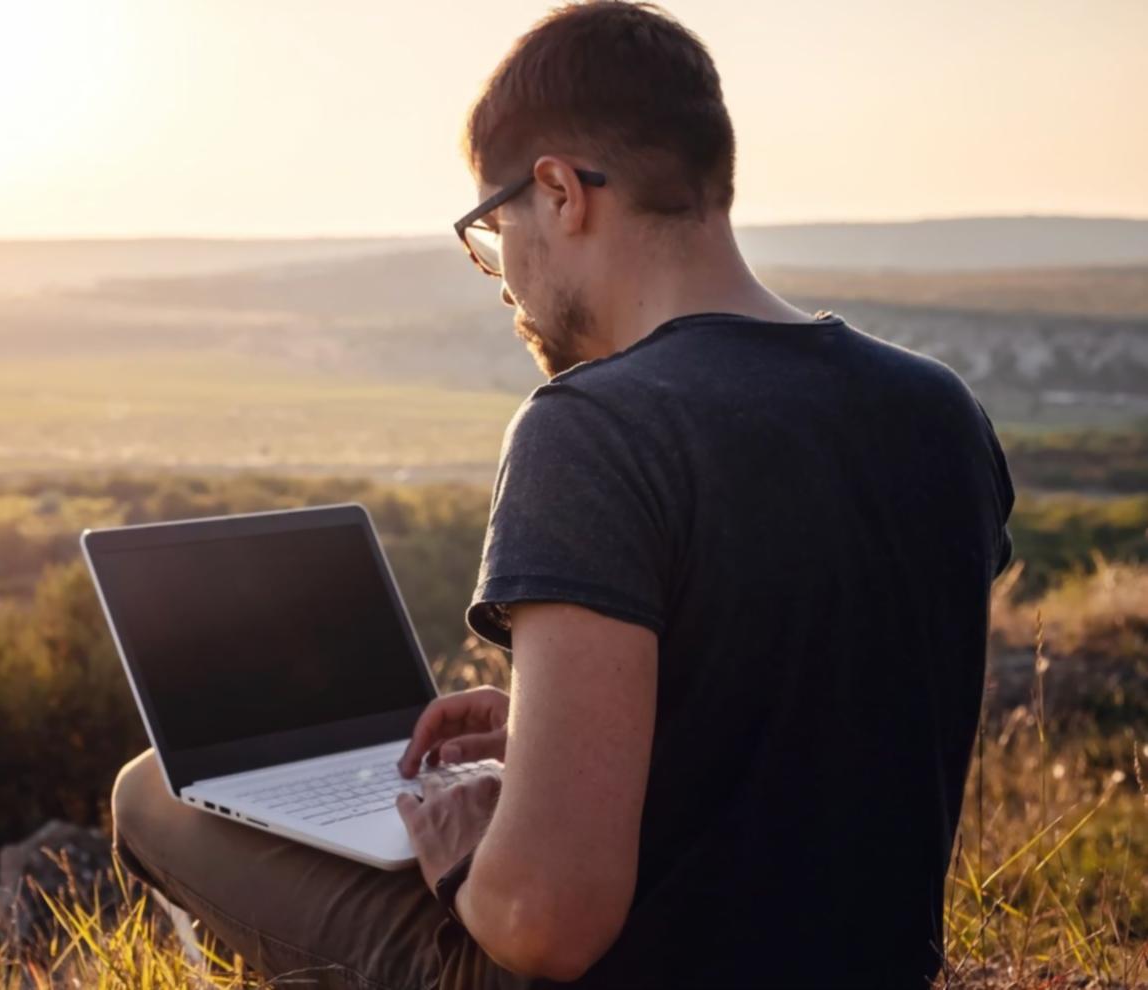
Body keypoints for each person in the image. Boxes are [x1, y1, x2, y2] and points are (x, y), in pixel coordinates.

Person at [109, 2, 1014, 986]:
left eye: (491, 229)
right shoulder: (933, 409)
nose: (502, 279)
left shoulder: (591, 426)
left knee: (153, 792)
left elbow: (542, 925)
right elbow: (824, 700)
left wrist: (461, 841)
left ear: (555, 191)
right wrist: (568, 732)